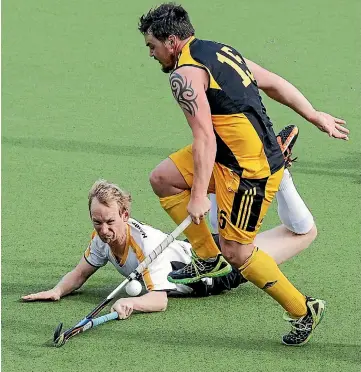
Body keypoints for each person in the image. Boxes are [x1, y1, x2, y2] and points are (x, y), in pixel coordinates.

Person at [138, 3, 349, 345]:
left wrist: (196, 199)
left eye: (152, 46)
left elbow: (204, 137)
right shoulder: (221, 51)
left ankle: (303, 310)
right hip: (228, 154)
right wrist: (314, 115)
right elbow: (274, 83)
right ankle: (207, 257)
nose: (151, 53)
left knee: (237, 252)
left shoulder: (184, 76)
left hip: (250, 171)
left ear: (172, 40)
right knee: (163, 178)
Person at [22, 168, 316, 320]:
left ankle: (281, 174)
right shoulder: (101, 239)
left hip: (219, 272)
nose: (104, 230)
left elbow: (159, 300)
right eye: (97, 222)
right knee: (230, 228)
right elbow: (80, 273)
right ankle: (250, 176)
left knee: (304, 233)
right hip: (201, 248)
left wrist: (132, 302)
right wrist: (58, 290)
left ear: (125, 214)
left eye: (110, 222)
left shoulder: (146, 246)